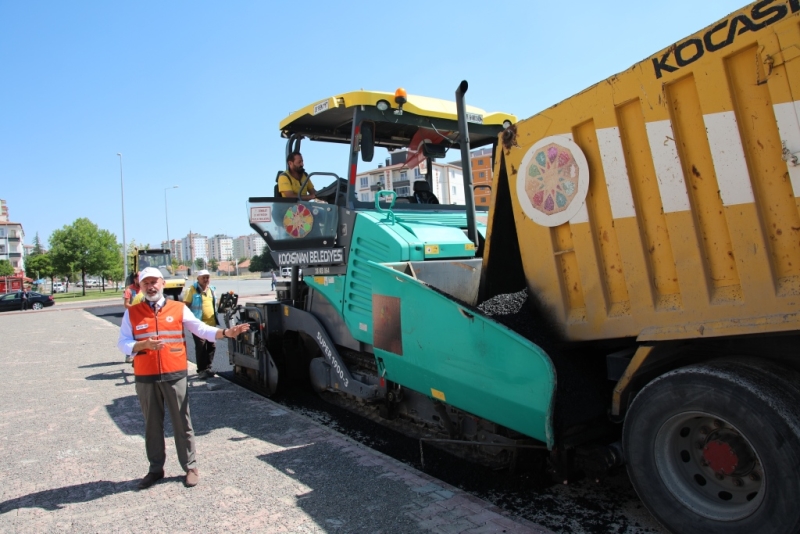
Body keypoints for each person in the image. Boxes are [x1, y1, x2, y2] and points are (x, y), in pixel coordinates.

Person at [117, 267, 249, 490]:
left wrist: (226, 333)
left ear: (162, 284)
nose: (150, 287)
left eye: (154, 282)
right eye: (145, 283)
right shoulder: (132, 313)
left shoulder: (178, 308)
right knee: (151, 426)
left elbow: (201, 329)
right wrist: (141, 345)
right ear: (140, 287)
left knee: (182, 423)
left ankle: (190, 467)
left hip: (174, 374)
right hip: (146, 377)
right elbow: (122, 343)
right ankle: (155, 469)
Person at [182, 269, 218, 379]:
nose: (206, 279)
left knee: (212, 346)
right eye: (203, 277)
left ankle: (208, 367)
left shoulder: (212, 289)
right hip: (198, 325)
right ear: (198, 278)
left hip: (211, 324)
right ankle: (201, 370)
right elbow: (185, 306)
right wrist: (187, 321)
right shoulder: (191, 290)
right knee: (201, 347)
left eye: (207, 277)